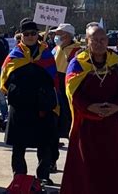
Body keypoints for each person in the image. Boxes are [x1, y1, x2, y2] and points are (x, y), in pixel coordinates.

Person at [61, 23, 118, 194]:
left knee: (111, 163)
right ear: (87, 40)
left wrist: (117, 106)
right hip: (86, 122)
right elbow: (72, 91)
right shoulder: (78, 62)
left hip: (111, 121)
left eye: (103, 39)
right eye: (95, 40)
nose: (100, 43)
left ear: (108, 40)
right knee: (85, 165)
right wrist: (89, 107)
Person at [0, 19, 58, 186]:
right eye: (27, 34)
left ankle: (43, 174)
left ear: (38, 35)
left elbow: (53, 79)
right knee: (19, 145)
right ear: (21, 36)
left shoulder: (46, 54)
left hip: (41, 107)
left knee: (45, 144)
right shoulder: (14, 55)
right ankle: (19, 175)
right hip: (20, 106)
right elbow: (4, 78)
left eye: (33, 33)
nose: (30, 37)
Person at [50, 22, 82, 172]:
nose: (56, 36)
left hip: (69, 90)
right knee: (53, 128)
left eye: (59, 33)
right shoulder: (55, 49)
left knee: (72, 127)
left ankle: (78, 161)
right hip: (55, 89)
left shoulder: (77, 51)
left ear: (68, 35)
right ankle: (52, 161)